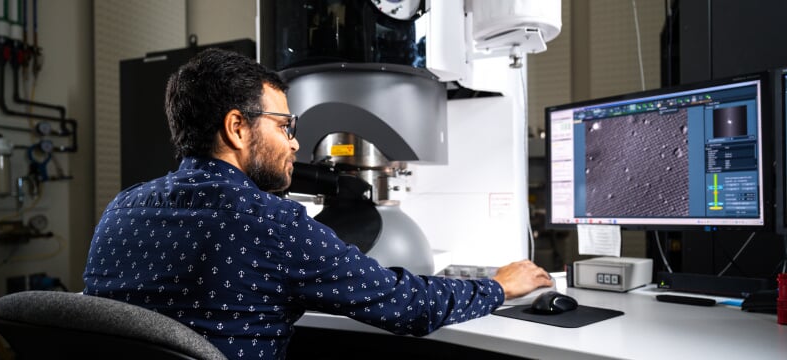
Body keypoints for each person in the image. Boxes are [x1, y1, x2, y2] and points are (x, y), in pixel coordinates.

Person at [83, 48, 552, 359]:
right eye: (285, 126)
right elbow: (410, 306)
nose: (294, 143)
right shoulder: (270, 222)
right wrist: (498, 286)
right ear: (237, 128)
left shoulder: (119, 209)